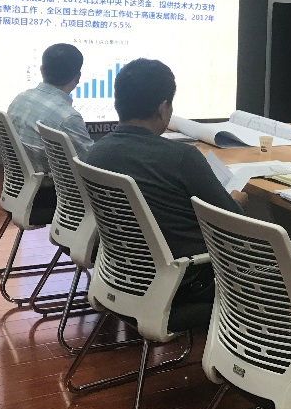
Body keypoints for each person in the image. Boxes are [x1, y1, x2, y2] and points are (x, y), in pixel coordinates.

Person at [85, 58, 246, 305]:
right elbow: (232, 222)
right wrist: (236, 200)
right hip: (188, 281)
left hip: (123, 276)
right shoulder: (182, 157)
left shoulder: (96, 153)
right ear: (163, 108)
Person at [8, 43, 93, 175]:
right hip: (53, 185)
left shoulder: (20, 99)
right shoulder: (68, 118)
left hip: (22, 180)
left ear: (42, 70)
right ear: (78, 77)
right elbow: (92, 163)